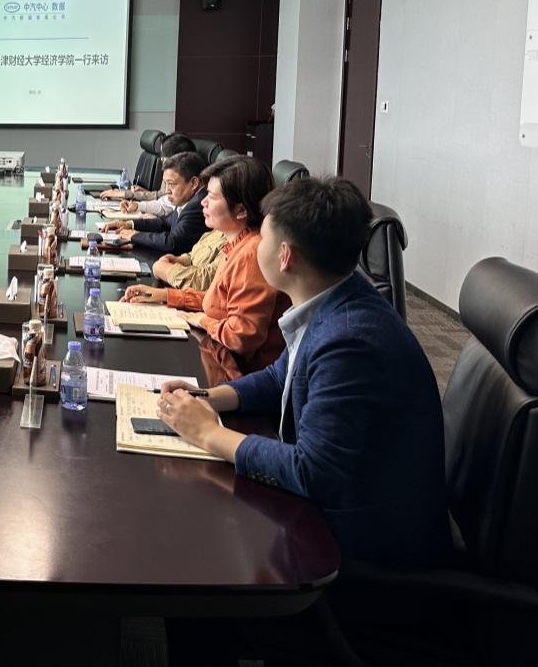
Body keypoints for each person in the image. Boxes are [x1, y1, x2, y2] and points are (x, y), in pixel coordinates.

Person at [156, 177, 449, 567]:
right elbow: (280, 377)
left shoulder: (349, 341)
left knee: (198, 543)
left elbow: (313, 470)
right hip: (339, 508)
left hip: (361, 545)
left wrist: (209, 433)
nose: (254, 245)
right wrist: (206, 398)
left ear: (285, 256)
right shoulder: (336, 297)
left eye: (262, 238)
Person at [122, 156, 289, 385]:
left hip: (238, 378)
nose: (203, 202)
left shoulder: (252, 254)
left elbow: (241, 336)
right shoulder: (235, 243)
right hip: (221, 359)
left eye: (211, 196)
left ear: (241, 210)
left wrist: (202, 320)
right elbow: (219, 301)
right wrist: (166, 295)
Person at [99, 151, 207, 255]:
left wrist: (135, 235)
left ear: (194, 183)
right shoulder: (188, 199)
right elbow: (164, 223)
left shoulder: (199, 205)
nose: (167, 190)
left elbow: (172, 242)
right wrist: (128, 224)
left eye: (171, 184)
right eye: (165, 184)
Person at [99, 132, 195, 208]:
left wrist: (125, 194)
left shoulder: (178, 174)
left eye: (163, 156)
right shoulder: (171, 172)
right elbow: (162, 198)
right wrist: (142, 192)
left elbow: (162, 198)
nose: (161, 159)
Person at [151, 228, 227, 292]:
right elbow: (194, 256)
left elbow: (206, 283)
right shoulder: (217, 231)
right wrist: (179, 260)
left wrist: (166, 270)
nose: (204, 214)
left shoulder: (231, 243)